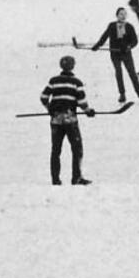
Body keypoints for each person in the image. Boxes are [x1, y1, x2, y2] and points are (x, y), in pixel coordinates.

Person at [41, 55, 94, 186]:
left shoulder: (53, 80)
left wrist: (49, 109)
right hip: (70, 118)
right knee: (77, 148)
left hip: (56, 120)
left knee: (56, 150)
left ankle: (55, 180)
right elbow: (82, 102)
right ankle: (76, 178)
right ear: (73, 66)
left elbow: (43, 97)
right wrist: (88, 111)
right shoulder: (76, 82)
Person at [90, 7, 139, 104]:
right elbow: (104, 37)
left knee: (132, 73)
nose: (123, 16)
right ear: (117, 15)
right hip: (115, 54)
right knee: (119, 72)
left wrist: (129, 46)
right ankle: (122, 94)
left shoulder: (129, 27)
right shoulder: (112, 26)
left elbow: (135, 41)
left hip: (126, 54)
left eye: (125, 14)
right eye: (121, 14)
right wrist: (97, 46)